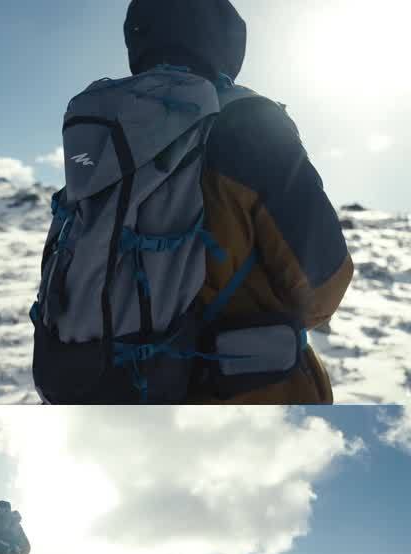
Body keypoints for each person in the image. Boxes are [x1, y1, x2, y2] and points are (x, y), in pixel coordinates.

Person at [125, 0, 352, 403]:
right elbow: (323, 284)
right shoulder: (248, 123)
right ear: (227, 42)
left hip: (115, 385)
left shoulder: (109, 129)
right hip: (242, 392)